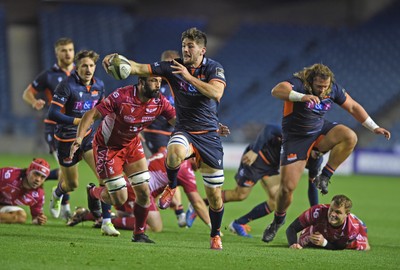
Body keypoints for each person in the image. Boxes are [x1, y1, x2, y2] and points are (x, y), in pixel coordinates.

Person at [102, 27, 228, 250]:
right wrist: (115, 59)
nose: (186, 50)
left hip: (209, 136)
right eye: (184, 45)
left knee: (214, 197)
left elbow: (215, 93)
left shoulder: (214, 68)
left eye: (191, 46)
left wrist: (189, 77)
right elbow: (140, 67)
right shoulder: (172, 67)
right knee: (174, 152)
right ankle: (171, 187)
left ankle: (215, 234)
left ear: (202, 50)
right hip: (185, 130)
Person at [262, 63, 391, 243]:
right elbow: (276, 90)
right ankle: (277, 221)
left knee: (350, 137)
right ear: (311, 82)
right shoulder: (300, 84)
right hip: (296, 139)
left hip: (320, 133)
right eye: (319, 87)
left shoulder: (332, 89)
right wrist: (303, 97)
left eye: (325, 87)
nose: (323, 90)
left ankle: (325, 175)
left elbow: (353, 107)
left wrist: (374, 127)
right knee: (287, 189)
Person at [71, 75, 176, 244]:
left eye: (159, 81)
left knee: (143, 191)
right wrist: (79, 139)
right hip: (108, 148)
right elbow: (91, 115)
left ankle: (139, 234)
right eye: (153, 81)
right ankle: (93, 192)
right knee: (119, 198)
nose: (158, 85)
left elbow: (177, 121)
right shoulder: (122, 96)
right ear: (141, 83)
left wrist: (205, 130)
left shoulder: (159, 101)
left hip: (132, 145)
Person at [196, 124, 321, 237]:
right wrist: (255, 151)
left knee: (277, 199)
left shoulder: (316, 160)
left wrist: (315, 216)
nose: (318, 154)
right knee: (240, 195)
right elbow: (269, 129)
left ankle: (239, 223)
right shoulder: (297, 138)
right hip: (258, 158)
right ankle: (198, 204)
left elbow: (312, 187)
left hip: (271, 167)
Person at [47, 50, 119, 236]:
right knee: (71, 185)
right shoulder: (66, 86)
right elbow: (52, 114)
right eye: (84, 66)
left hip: (88, 138)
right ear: (77, 68)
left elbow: (103, 109)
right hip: (67, 139)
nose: (88, 69)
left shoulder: (99, 85)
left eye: (91, 66)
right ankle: (57, 193)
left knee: (104, 177)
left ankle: (106, 222)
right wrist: (77, 121)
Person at [69, 150, 211, 232]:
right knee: (154, 226)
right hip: (140, 190)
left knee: (125, 215)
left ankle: (86, 215)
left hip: (131, 181)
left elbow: (163, 181)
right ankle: (105, 216)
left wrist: (176, 207)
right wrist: (213, 226)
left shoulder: (168, 150)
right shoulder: (185, 170)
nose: (202, 167)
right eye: (203, 162)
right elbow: (197, 201)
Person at [22, 37, 75, 219]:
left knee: (67, 170)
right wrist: (34, 101)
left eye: (70, 50)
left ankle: (32, 174)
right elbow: (27, 93)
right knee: (65, 167)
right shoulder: (49, 75)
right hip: (54, 127)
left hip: (75, 128)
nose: (67, 53)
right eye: (63, 50)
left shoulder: (81, 72)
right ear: (56, 53)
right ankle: (65, 208)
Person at [141, 49, 187, 227]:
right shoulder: (156, 84)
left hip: (173, 132)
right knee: (170, 167)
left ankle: (177, 208)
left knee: (176, 168)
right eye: (168, 61)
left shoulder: (179, 85)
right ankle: (178, 211)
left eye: (174, 61)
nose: (171, 64)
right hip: (156, 133)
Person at [286, 194, 370, 251]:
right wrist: (294, 244)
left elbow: (338, 247)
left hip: (358, 229)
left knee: (363, 247)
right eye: (331, 209)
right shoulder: (317, 211)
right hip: (324, 228)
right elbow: (291, 229)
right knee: (304, 240)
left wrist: (324, 243)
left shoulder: (352, 229)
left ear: (346, 214)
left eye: (338, 212)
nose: (332, 214)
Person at [0, 158, 50, 225]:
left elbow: (35, 217)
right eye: (36, 174)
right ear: (28, 171)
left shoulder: (38, 195)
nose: (38, 179)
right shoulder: (8, 175)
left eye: (42, 177)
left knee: (21, 216)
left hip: (4, 205)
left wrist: (38, 220)